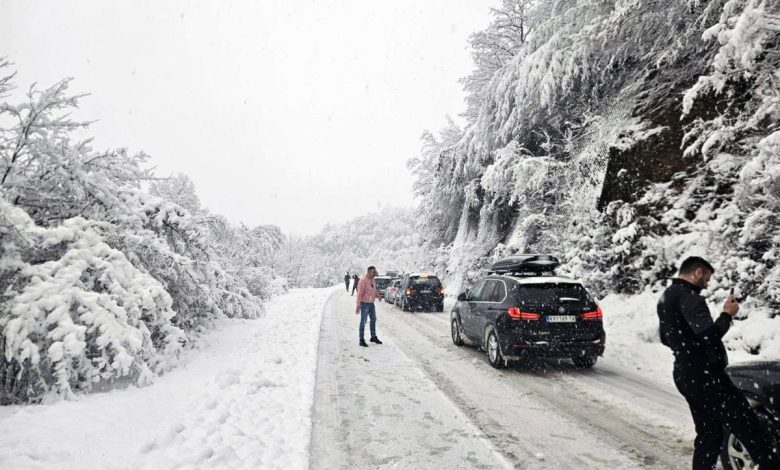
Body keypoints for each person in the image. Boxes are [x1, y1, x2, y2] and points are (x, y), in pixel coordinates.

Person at [657, 256, 779, 469]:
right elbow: (710, 336)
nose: (707, 284)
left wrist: (686, 349)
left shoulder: (666, 297)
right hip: (707, 376)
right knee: (749, 427)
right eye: (706, 279)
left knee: (709, 434)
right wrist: (727, 315)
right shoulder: (690, 298)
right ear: (697, 272)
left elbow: (665, 338)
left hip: (685, 373)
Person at [355, 266, 382, 347]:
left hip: (371, 304)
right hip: (364, 304)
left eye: (375, 272)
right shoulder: (363, 281)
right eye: (373, 272)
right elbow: (359, 294)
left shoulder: (373, 280)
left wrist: (378, 296)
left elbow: (374, 290)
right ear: (369, 272)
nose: (374, 274)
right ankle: (361, 339)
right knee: (363, 321)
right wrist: (358, 306)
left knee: (373, 319)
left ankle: (373, 337)